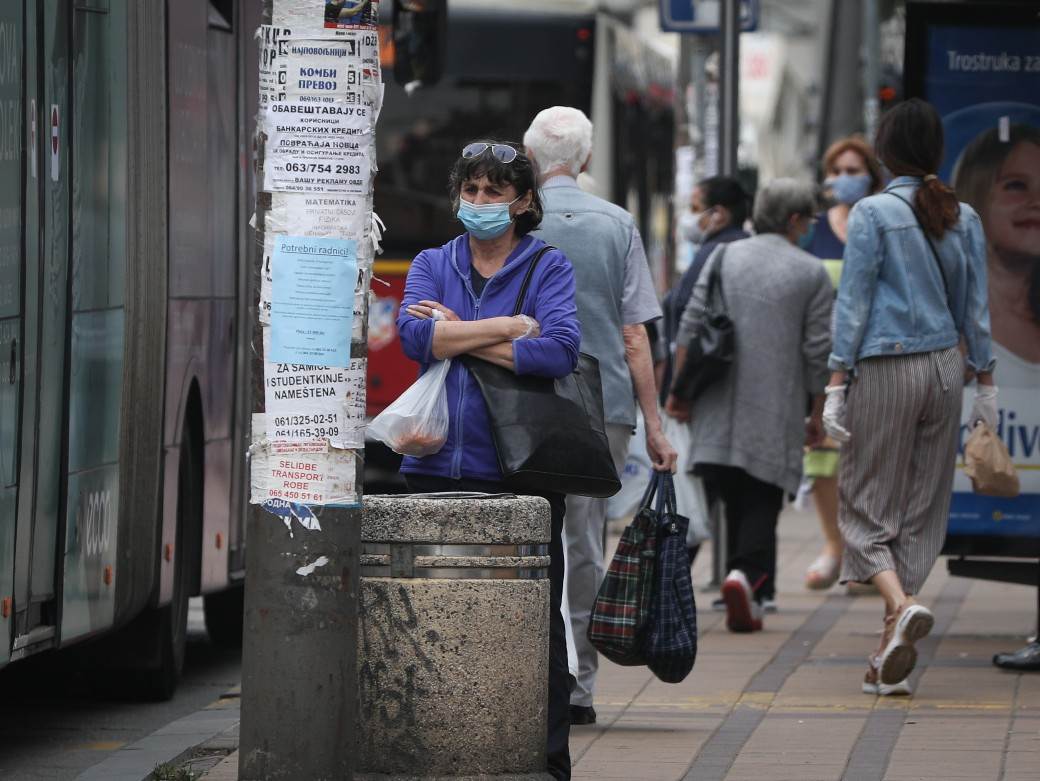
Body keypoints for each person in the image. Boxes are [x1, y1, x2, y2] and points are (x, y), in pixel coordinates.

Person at [396, 141, 580, 780]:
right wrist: (509, 328)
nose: (480, 203)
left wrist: (461, 335)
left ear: (524, 201)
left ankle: (547, 760)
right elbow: (417, 337)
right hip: (434, 463)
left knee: (536, 622)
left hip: (520, 469)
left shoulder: (548, 266)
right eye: (471, 191)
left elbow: (558, 351)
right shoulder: (431, 261)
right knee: (428, 626)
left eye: (495, 192)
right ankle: (438, 749)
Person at [823, 98, 997, 695]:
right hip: (949, 370)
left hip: (888, 365)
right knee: (923, 508)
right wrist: (989, 383)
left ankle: (898, 604)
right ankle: (886, 652)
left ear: (883, 150)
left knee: (866, 505)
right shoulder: (963, 215)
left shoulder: (871, 213)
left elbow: (855, 304)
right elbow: (976, 308)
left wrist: (835, 383)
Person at [523, 106, 677, 727]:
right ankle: (581, 686)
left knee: (526, 538)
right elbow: (634, 334)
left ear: (530, 157)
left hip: (524, 402)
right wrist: (656, 426)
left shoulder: (514, 221)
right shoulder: (618, 224)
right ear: (585, 159)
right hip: (603, 406)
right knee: (584, 542)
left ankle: (529, 673)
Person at [665, 179, 833, 633]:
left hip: (715, 402)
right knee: (761, 498)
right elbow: (819, 352)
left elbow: (690, 326)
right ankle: (744, 576)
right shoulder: (810, 271)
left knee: (718, 498)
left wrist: (679, 393)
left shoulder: (724, 255)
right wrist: (816, 415)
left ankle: (716, 594)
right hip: (775, 407)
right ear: (796, 220)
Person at [802, 137, 885, 592]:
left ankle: (866, 551)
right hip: (821, 361)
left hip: (872, 358)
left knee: (868, 457)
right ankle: (835, 546)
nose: (844, 179)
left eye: (854, 170)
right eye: (837, 171)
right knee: (821, 460)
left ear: (871, 175)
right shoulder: (815, 230)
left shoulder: (881, 224)